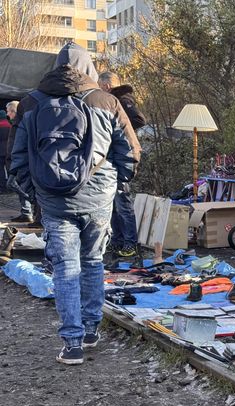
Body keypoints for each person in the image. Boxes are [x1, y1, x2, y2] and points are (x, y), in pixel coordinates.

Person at [9, 41, 140, 365]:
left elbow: (17, 159)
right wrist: (114, 183)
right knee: (93, 261)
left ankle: (72, 343)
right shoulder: (106, 101)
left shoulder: (31, 103)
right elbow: (131, 152)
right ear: (88, 67)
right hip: (98, 197)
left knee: (65, 268)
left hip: (53, 201)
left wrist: (37, 191)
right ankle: (93, 328)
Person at [98, 71, 147, 257]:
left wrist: (121, 128)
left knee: (123, 202)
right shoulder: (112, 100)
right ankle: (117, 240)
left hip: (122, 157)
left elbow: (140, 119)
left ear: (106, 86)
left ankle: (130, 243)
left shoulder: (123, 100)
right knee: (112, 203)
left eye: (99, 85)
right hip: (113, 156)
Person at [5, 100, 36, 222]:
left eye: (8, 111)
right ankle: (27, 211)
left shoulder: (20, 123)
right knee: (21, 185)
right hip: (17, 159)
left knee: (16, 185)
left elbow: (18, 143)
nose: (8, 114)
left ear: (13, 111)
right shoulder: (16, 123)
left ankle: (32, 205)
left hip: (19, 160)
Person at [0, 110, 10, 191]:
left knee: (0, 170)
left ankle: (2, 187)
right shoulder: (10, 125)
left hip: (0, 151)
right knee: (9, 168)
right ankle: (11, 186)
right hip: (9, 150)